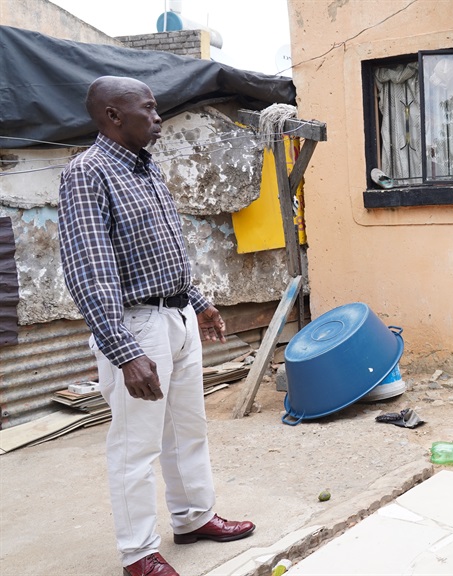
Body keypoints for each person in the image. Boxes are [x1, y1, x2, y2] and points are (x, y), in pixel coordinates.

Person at [58, 76, 255, 576]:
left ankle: (194, 518)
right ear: (113, 116)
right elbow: (90, 270)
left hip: (176, 315)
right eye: (148, 109)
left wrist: (199, 303)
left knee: (188, 430)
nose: (159, 117)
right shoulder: (88, 173)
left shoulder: (146, 168)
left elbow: (162, 252)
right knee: (136, 446)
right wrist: (124, 352)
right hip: (135, 325)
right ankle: (139, 553)